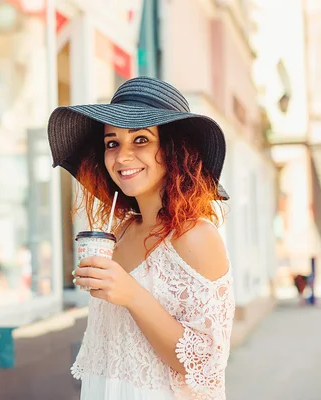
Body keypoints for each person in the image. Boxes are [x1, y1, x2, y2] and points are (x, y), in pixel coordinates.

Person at [47, 76, 235, 399]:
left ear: (173, 149)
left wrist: (131, 294)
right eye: (112, 143)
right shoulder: (118, 235)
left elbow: (206, 366)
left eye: (141, 140)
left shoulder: (196, 237)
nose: (122, 157)